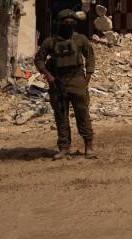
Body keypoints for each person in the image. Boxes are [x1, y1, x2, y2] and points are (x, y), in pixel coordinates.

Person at [34, 9, 96, 160]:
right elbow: (39, 59)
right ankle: (64, 148)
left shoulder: (81, 39)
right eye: (65, 22)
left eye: (71, 22)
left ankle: (88, 146)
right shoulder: (50, 42)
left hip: (77, 80)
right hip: (58, 82)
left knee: (82, 114)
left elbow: (90, 57)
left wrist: (87, 76)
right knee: (61, 116)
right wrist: (48, 75)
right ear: (59, 23)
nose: (68, 24)